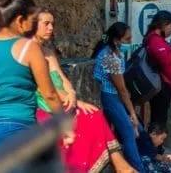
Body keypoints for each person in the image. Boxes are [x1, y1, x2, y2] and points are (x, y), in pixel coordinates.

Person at [31, 9, 135, 173]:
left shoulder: (49, 53)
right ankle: (119, 165)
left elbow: (62, 78)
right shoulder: (30, 52)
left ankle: (119, 164)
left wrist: (71, 93)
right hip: (45, 105)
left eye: (52, 24)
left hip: (64, 101)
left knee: (95, 114)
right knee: (89, 118)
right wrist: (75, 102)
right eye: (46, 24)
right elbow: (45, 88)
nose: (51, 28)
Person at [0, 0, 61, 153]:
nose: (33, 25)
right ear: (20, 21)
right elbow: (49, 93)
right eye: (32, 20)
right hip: (15, 127)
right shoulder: (29, 47)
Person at [93, 22, 145, 172]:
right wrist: (132, 113)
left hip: (113, 95)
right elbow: (121, 89)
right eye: (127, 39)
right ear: (116, 40)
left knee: (117, 132)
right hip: (109, 95)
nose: (129, 43)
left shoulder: (116, 54)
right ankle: (137, 168)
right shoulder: (111, 58)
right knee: (128, 130)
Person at [143, 11, 171, 129]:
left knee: (161, 117)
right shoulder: (154, 40)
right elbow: (165, 61)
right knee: (159, 118)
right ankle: (156, 145)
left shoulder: (158, 40)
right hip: (161, 84)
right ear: (163, 25)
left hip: (164, 83)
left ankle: (157, 144)